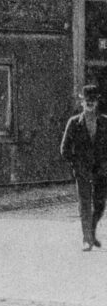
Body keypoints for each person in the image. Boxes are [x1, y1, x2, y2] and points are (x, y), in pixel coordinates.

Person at [60, 85, 107, 251]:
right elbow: (64, 149)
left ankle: (92, 232)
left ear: (97, 102)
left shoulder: (104, 122)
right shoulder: (74, 123)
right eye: (87, 101)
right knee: (85, 204)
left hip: (101, 171)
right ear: (82, 102)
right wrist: (76, 164)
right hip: (83, 171)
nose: (90, 104)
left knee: (100, 205)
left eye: (93, 101)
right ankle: (86, 239)